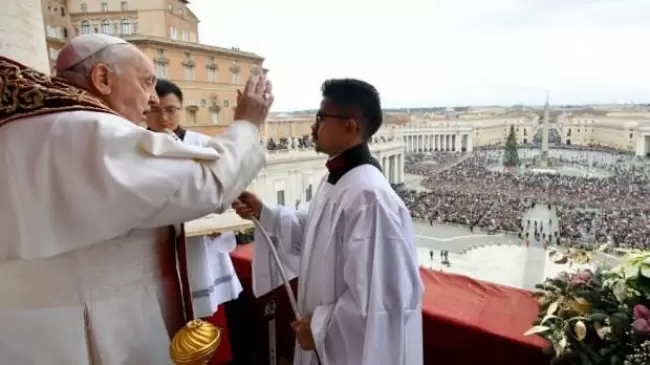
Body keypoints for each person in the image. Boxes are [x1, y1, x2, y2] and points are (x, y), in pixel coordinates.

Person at [0, 34, 272, 365]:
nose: (154, 100)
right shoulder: (86, 128)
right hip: (89, 323)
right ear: (102, 78)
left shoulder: (18, 128)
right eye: (146, 83)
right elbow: (205, 183)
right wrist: (248, 124)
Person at [233, 79, 423, 365]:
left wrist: (320, 328)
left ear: (350, 126)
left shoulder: (370, 198)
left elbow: (380, 297)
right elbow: (312, 233)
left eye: (321, 118)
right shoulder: (334, 181)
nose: (313, 126)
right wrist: (264, 212)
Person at [145, 79, 243, 364]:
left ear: (182, 110)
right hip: (157, 254)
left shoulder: (203, 146)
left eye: (171, 110)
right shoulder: (137, 149)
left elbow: (226, 196)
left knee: (210, 330)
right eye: (155, 110)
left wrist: (218, 228)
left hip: (201, 253)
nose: (164, 118)